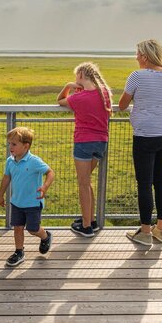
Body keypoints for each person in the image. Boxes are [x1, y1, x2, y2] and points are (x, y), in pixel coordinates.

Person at [119, 39, 162, 247]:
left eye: (138, 54)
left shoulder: (137, 76)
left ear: (145, 56)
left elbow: (121, 105)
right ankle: (161, 230)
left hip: (146, 134)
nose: (136, 57)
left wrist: (144, 104)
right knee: (161, 181)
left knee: (145, 184)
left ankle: (145, 232)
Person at [57, 62, 112, 237]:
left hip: (83, 143)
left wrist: (68, 86)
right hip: (101, 142)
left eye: (76, 77)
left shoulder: (78, 98)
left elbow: (60, 100)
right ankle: (91, 219)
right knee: (87, 181)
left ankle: (86, 227)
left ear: (81, 76)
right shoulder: (104, 94)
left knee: (83, 184)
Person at [0, 127, 56, 267]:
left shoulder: (34, 161)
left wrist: (45, 187)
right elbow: (6, 178)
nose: (10, 147)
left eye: (14, 144)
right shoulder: (10, 161)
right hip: (16, 202)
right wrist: (0, 194)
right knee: (17, 227)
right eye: (9, 143)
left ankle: (45, 236)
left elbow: (50, 173)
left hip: (33, 203)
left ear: (26, 146)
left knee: (32, 229)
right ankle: (19, 252)